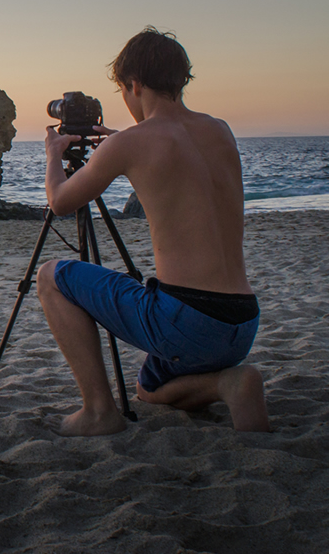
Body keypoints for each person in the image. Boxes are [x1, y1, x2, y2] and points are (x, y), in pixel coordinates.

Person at [37, 26, 270, 436]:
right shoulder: (220, 130)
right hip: (241, 325)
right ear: (181, 80)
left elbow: (60, 201)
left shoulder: (131, 143)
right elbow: (173, 161)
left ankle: (98, 411)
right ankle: (227, 382)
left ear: (134, 84)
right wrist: (119, 144)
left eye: (123, 91)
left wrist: (54, 154)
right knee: (150, 390)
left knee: (50, 277)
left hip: (187, 324)